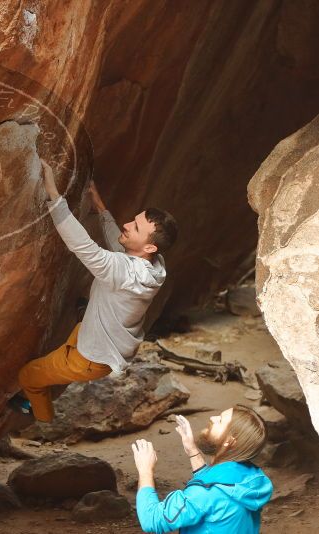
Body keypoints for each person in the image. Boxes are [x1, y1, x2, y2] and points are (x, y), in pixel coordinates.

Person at [14, 159, 178, 422]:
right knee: (82, 316)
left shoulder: (124, 271)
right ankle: (82, 320)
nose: (127, 225)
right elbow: (119, 246)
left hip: (89, 359)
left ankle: (39, 417)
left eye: (135, 227)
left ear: (149, 248)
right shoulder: (155, 265)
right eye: (133, 221)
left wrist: (54, 195)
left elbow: (82, 246)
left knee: (28, 376)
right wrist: (100, 207)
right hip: (100, 341)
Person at [132, 405, 273, 533]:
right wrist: (192, 450)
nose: (213, 418)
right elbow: (216, 482)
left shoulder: (205, 494)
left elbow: (152, 519)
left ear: (230, 441)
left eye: (220, 421)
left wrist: (145, 470)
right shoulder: (250, 478)